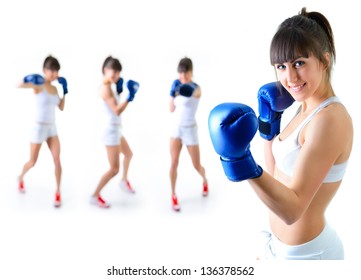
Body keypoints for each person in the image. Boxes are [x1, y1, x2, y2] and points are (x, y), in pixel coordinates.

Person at [208, 7, 353, 259]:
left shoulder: (329, 120)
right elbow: (277, 176)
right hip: (276, 245)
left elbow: (292, 210)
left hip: (308, 256)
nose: (290, 77)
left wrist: (241, 161)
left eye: (299, 63)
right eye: (281, 66)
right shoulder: (304, 107)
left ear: (325, 59)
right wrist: (269, 125)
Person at [17, 55, 68, 207]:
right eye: (51, 70)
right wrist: (27, 79)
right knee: (32, 162)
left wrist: (65, 91)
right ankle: (20, 178)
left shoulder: (54, 88)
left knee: (57, 160)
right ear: (45, 70)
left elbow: (61, 107)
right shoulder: (38, 84)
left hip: (52, 128)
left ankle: (58, 192)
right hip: (38, 128)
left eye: (56, 70)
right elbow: (19, 85)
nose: (54, 73)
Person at [91, 56, 139, 208]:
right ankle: (94, 195)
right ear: (105, 70)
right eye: (114, 71)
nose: (116, 75)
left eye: (118, 72)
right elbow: (117, 111)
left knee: (129, 154)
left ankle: (123, 181)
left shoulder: (111, 85)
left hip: (116, 129)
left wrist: (119, 91)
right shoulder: (105, 88)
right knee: (114, 169)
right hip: (110, 132)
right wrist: (130, 96)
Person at [169, 57, 208, 211]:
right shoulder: (176, 85)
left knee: (196, 165)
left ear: (191, 73)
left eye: (186, 74)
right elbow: (171, 109)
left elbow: (195, 92)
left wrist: (182, 89)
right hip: (176, 129)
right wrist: (172, 93)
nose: (183, 77)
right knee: (173, 163)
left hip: (190, 129)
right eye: (181, 74)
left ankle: (205, 180)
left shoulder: (196, 88)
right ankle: (173, 195)